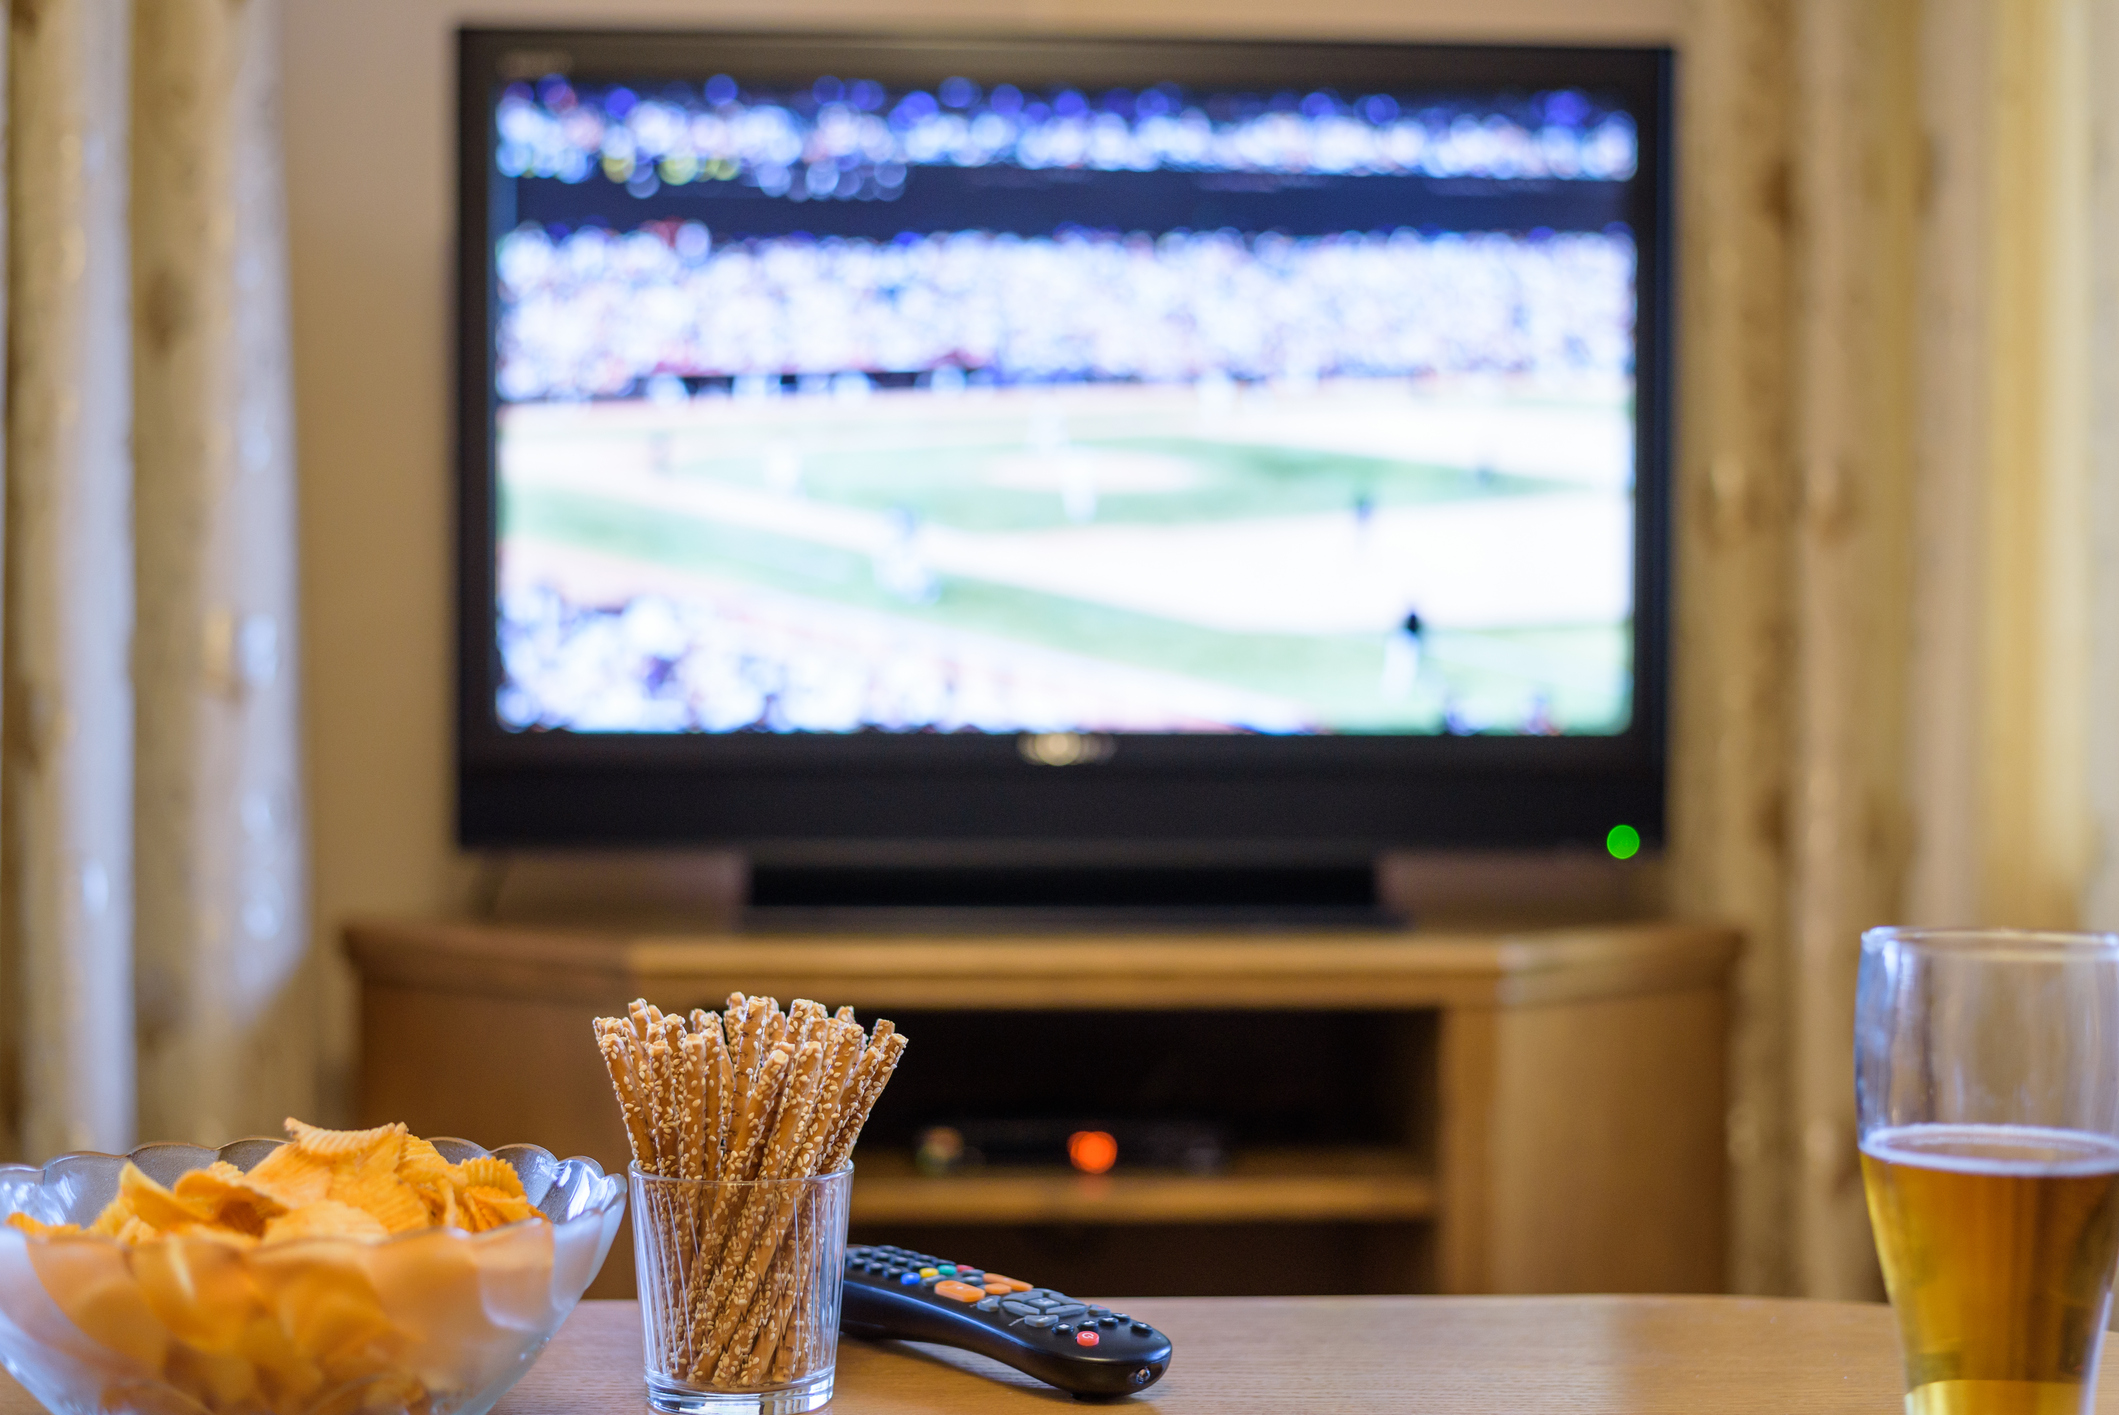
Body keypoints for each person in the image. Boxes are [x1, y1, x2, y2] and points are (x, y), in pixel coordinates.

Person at [1382, 609, 1423, 700]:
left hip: (1406, 644)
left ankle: (1395, 692)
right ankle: (1394, 692)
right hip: (1407, 644)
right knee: (1402, 669)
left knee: (1401, 669)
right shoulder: (1412, 624)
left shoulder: (1408, 623)